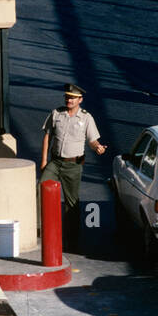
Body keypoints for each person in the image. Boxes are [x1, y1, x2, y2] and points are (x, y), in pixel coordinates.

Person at [39, 83, 107, 253]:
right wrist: (44, 160)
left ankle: (72, 239)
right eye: (67, 96)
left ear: (80, 100)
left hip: (73, 164)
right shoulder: (56, 114)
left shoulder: (86, 118)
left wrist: (98, 147)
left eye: (73, 97)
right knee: (42, 188)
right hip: (55, 162)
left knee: (72, 202)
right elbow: (47, 136)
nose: (69, 100)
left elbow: (92, 140)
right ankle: (41, 229)